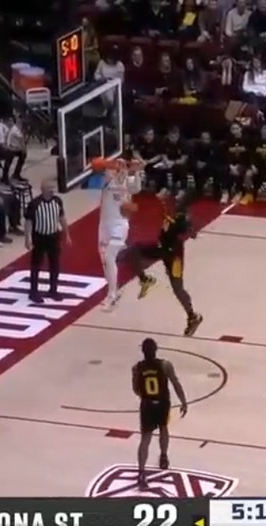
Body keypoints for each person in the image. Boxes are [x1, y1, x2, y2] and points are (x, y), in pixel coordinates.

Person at [125, 192, 205, 336]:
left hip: (173, 255)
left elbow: (190, 228)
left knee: (177, 288)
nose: (176, 198)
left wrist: (191, 230)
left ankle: (193, 316)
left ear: (183, 203)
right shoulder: (172, 210)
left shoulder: (182, 218)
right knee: (133, 251)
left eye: (179, 198)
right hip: (163, 248)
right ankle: (145, 280)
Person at [133, 337, 189, 488]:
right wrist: (183, 401)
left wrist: (145, 395)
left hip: (147, 405)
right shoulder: (165, 365)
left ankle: (141, 473)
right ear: (156, 350)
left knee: (145, 438)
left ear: (143, 352)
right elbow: (175, 383)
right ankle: (164, 456)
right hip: (163, 403)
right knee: (164, 428)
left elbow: (135, 389)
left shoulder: (137, 367)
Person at [96, 158, 144, 310]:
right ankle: (114, 289)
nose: (121, 167)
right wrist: (116, 167)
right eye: (118, 165)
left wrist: (137, 171)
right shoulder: (107, 181)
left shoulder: (128, 182)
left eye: (123, 165)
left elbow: (136, 189)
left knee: (110, 256)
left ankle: (111, 295)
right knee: (105, 261)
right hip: (104, 225)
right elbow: (104, 170)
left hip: (119, 225)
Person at [25, 179, 71, 303]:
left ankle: (53, 290)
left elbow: (62, 218)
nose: (52, 190)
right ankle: (33, 292)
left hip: (53, 236)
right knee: (36, 265)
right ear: (43, 189)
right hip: (39, 237)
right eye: (50, 188)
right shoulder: (34, 204)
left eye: (53, 188)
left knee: (55, 264)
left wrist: (67, 234)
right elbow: (28, 222)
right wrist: (28, 238)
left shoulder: (57, 201)